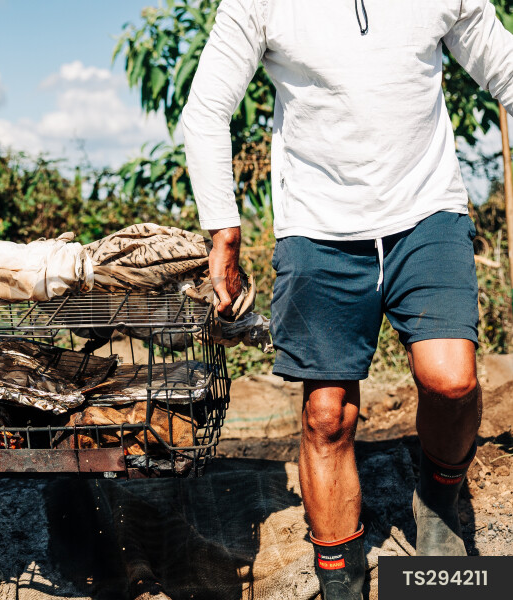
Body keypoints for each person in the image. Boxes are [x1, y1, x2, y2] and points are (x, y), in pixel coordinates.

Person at [183, 0, 513, 598]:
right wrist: (223, 230)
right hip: (319, 228)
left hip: (426, 213)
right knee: (328, 416)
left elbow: (505, 67)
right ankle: (342, 578)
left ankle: (437, 499)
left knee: (452, 381)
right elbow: (206, 109)